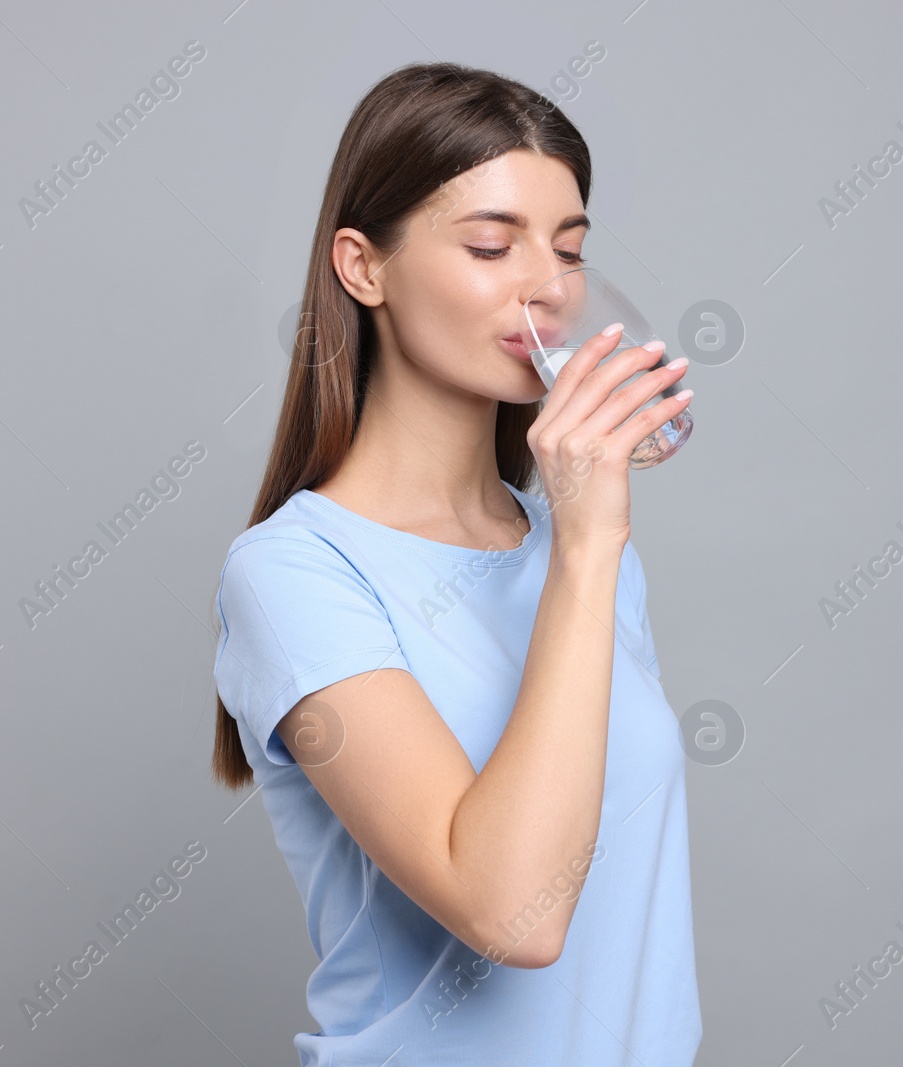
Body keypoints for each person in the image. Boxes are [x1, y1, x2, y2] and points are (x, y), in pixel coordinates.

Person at [209, 60, 700, 1066]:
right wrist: (590, 544)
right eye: (490, 244)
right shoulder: (294, 574)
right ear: (363, 266)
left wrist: (582, 540)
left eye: (568, 252)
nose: (548, 290)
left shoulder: (577, 543)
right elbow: (514, 913)